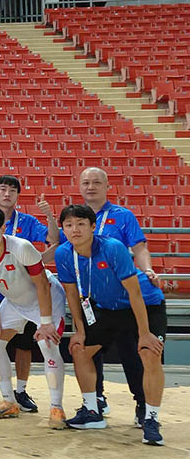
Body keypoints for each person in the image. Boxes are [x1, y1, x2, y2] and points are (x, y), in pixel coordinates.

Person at [52, 166, 162, 419]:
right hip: (94, 297)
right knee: (88, 349)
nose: (91, 187)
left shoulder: (122, 217)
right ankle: (96, 400)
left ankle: (143, 405)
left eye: (96, 182)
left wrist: (148, 270)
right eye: (86, 183)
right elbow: (64, 252)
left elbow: (139, 247)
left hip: (126, 294)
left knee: (132, 353)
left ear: (107, 186)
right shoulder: (74, 217)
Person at [0, 207, 67, 427]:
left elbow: (42, 284)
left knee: (47, 344)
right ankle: (9, 401)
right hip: (15, 302)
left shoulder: (22, 248)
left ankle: (57, 408)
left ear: (3, 228)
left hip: (46, 297)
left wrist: (46, 322)